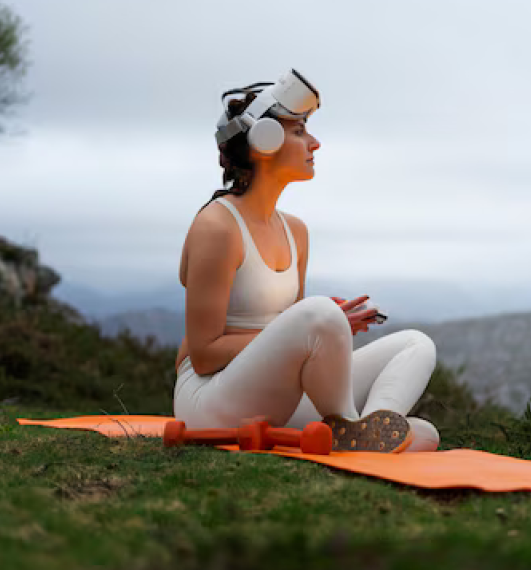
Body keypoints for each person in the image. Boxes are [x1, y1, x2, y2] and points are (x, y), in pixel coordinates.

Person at [172, 69, 439, 453]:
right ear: (265, 141)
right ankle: (348, 425)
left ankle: (368, 430)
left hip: (273, 396)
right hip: (210, 400)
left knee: (416, 346)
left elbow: (293, 339)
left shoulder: (296, 231)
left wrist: (325, 331)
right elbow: (204, 354)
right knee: (319, 313)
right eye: (299, 132)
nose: (314, 143)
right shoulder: (218, 226)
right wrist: (316, 327)